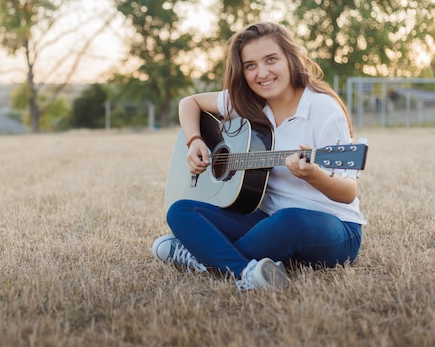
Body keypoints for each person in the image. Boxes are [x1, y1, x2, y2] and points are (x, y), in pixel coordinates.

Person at [152, 22, 365, 291]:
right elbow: (189, 103)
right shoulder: (247, 102)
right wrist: (194, 140)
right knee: (181, 210)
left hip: (332, 229)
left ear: (290, 59)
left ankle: (202, 256)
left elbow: (347, 193)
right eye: (250, 65)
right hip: (264, 222)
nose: (262, 73)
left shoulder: (323, 109)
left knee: (289, 220)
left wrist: (314, 175)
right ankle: (246, 273)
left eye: (271, 60)